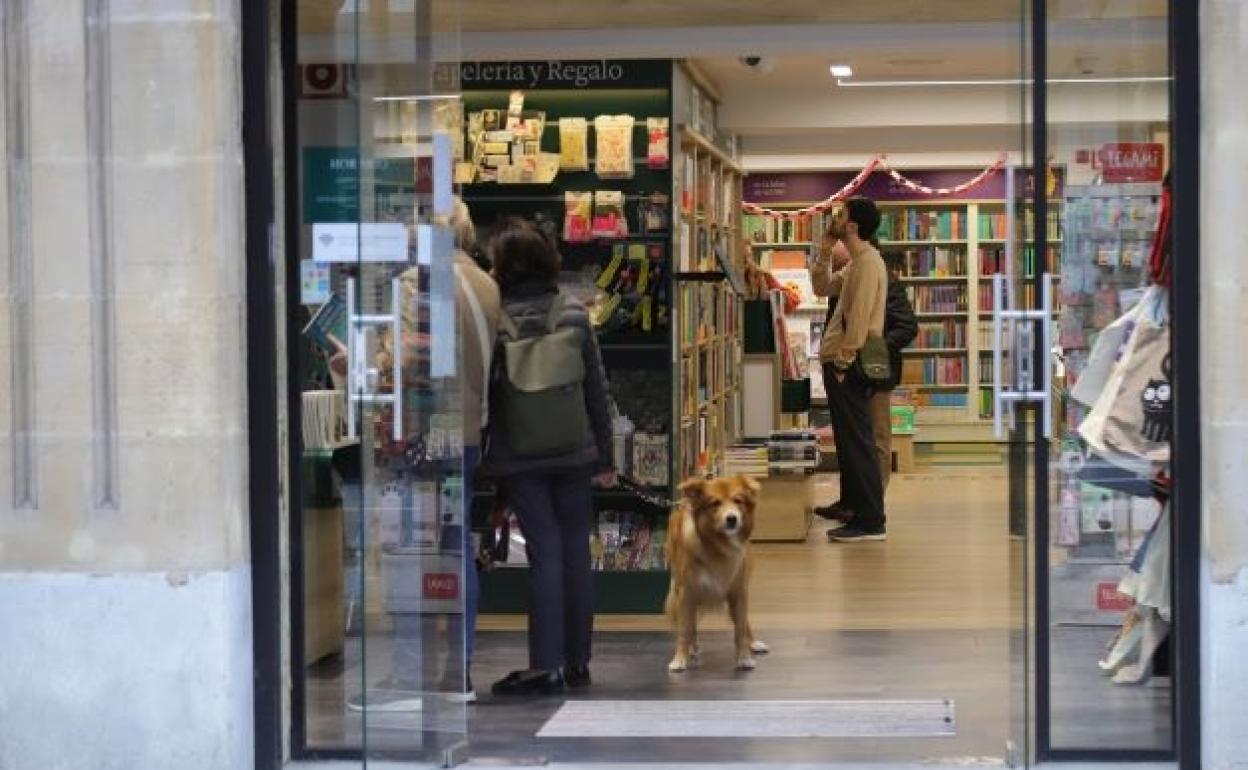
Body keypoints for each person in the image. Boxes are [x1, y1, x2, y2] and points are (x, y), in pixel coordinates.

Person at [346, 197, 499, 710]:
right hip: (468, 435)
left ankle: (409, 677)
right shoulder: (485, 282)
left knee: (410, 552)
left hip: (422, 438)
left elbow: (410, 358)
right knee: (457, 552)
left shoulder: (417, 283)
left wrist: (366, 361)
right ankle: (459, 674)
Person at [481, 221, 616, 697]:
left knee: (545, 553)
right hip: (574, 451)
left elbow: (488, 397)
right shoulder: (575, 315)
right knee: (576, 551)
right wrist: (606, 454)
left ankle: (546, 665)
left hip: (520, 456)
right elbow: (597, 391)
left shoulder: (494, 321)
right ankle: (578, 659)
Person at [813, 247, 917, 520]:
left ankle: (872, 505)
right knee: (850, 439)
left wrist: (874, 348)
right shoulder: (846, 280)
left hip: (874, 369)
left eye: (839, 259)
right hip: (847, 369)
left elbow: (906, 326)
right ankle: (851, 501)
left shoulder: (884, 279)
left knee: (877, 439)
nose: (836, 264)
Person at [812, 197, 889, 543]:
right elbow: (820, 288)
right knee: (849, 441)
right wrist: (825, 251)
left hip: (850, 364)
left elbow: (858, 323)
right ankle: (856, 508)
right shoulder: (856, 263)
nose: (835, 219)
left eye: (841, 216)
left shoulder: (869, 264)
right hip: (840, 362)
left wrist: (843, 363)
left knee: (858, 442)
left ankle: (871, 520)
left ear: (853, 226)